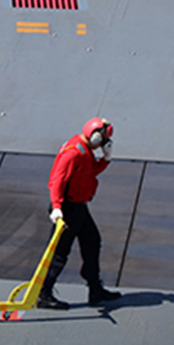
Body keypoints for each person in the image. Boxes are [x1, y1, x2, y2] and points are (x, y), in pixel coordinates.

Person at [37, 118, 121, 310]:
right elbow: (57, 181)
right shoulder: (73, 152)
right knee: (59, 253)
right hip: (67, 209)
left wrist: (106, 160)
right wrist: (57, 207)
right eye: (103, 140)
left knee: (92, 242)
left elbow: (90, 172)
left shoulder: (84, 150)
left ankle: (95, 289)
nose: (103, 144)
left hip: (79, 207)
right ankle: (43, 293)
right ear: (96, 137)